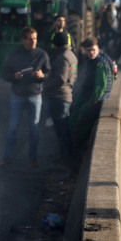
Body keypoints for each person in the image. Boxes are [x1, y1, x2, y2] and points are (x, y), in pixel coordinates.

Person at [0, 27, 51, 167]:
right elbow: (5, 74)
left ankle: (32, 159)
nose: (33, 42)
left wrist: (42, 76)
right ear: (24, 40)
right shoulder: (15, 54)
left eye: (35, 38)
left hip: (35, 96)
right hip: (18, 95)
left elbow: (49, 75)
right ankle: (6, 158)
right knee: (12, 127)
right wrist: (14, 77)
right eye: (30, 39)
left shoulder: (42, 55)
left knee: (34, 128)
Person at [70, 36, 114, 151]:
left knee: (80, 123)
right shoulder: (92, 61)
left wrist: (88, 104)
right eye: (88, 50)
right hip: (90, 99)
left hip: (95, 102)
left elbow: (99, 90)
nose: (91, 53)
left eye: (93, 50)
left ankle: (75, 151)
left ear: (98, 49)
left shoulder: (100, 64)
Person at [44, 31, 77, 161]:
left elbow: (61, 79)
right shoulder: (72, 56)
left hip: (59, 97)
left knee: (61, 129)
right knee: (65, 127)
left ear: (56, 45)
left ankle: (65, 157)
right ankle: (67, 155)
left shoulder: (63, 57)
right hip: (67, 95)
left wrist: (46, 86)